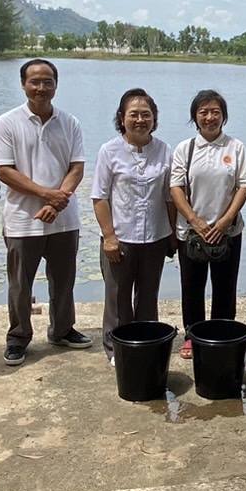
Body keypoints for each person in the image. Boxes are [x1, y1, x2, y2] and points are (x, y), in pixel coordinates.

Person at [0, 59, 90, 367]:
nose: (41, 88)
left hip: (64, 218)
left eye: (47, 81)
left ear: (56, 85)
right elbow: (5, 171)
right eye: (34, 81)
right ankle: (18, 337)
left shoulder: (69, 122)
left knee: (63, 279)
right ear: (23, 84)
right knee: (21, 284)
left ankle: (62, 329)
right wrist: (46, 194)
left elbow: (77, 166)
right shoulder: (7, 122)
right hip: (23, 220)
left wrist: (57, 200)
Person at [91, 89, 176, 362]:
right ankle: (116, 349)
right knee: (117, 299)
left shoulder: (164, 150)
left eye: (146, 115)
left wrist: (173, 233)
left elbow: (169, 196)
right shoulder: (109, 151)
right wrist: (109, 237)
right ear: (122, 118)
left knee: (148, 297)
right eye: (134, 114)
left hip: (155, 236)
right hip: (121, 237)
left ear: (154, 118)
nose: (140, 120)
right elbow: (100, 197)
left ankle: (147, 345)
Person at [169, 89, 246, 357]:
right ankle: (192, 335)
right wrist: (195, 221)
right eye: (203, 112)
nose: (210, 117)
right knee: (192, 287)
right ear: (195, 116)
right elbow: (176, 188)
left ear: (224, 116)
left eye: (215, 111)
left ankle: (221, 333)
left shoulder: (235, 147)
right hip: (192, 232)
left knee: (225, 287)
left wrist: (225, 221)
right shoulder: (186, 148)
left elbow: (243, 186)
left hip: (227, 232)